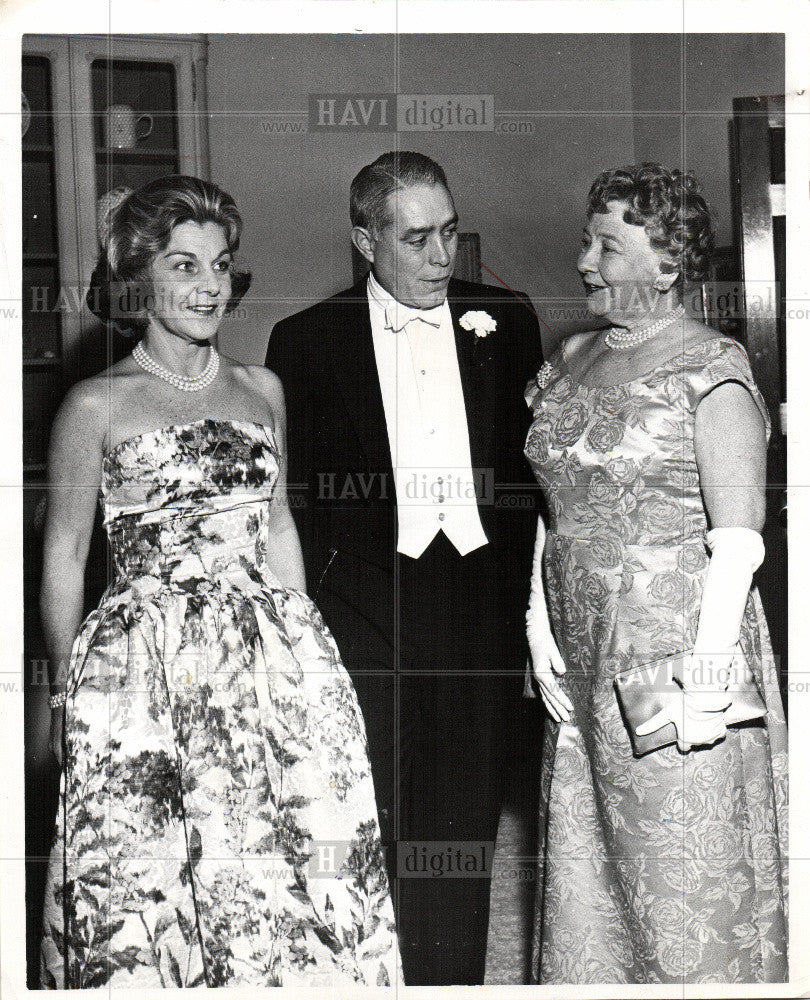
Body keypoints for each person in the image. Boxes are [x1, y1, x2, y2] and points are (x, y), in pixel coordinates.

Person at [39, 175, 399, 988]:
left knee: (289, 861)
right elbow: (63, 555)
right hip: (145, 669)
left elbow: (276, 526)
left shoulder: (260, 389)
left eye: (220, 265)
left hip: (266, 660)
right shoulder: (95, 405)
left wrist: (309, 657)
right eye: (182, 265)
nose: (207, 286)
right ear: (140, 276)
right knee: (144, 873)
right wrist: (64, 695)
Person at [265, 151, 542, 985]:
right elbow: (296, 505)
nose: (441, 258)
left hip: (476, 604)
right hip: (366, 609)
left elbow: (532, 477)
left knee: (460, 835)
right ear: (364, 240)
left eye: (450, 233)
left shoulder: (508, 317)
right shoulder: (306, 340)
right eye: (416, 239)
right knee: (363, 824)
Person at [524, 163, 788, 983]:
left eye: (608, 246)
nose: (585, 262)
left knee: (677, 865)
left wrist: (709, 670)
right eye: (586, 240)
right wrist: (536, 627)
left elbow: (740, 538)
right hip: (582, 641)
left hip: (674, 648)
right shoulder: (568, 358)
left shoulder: (711, 368)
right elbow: (552, 508)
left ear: (668, 263)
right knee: (591, 853)